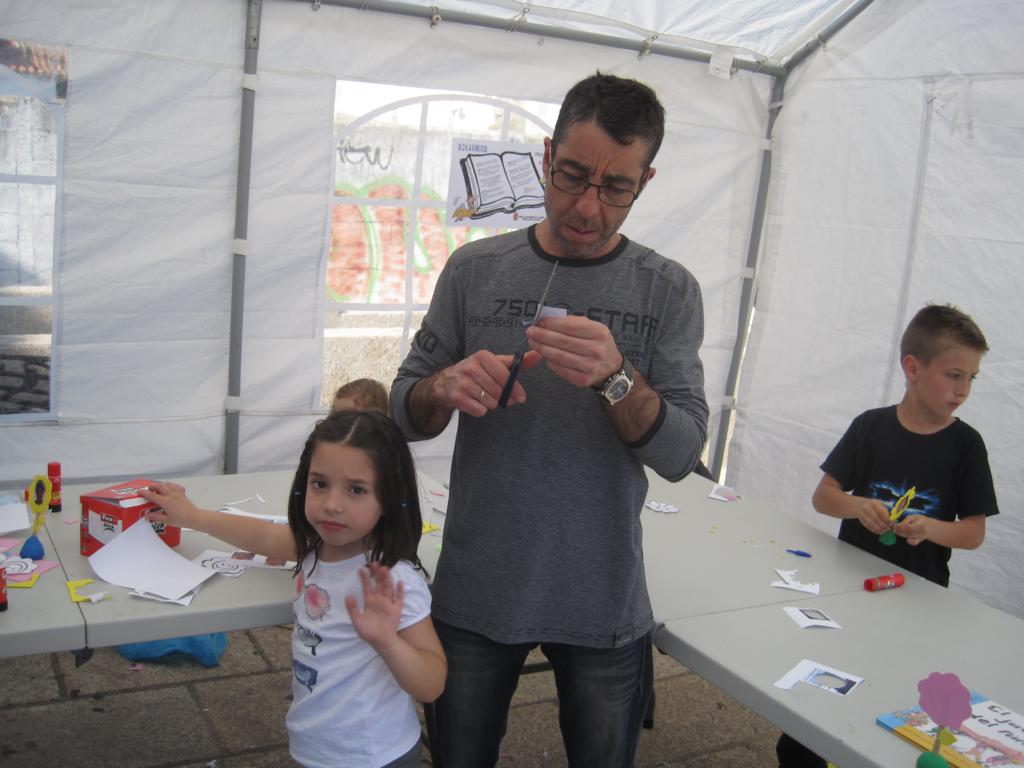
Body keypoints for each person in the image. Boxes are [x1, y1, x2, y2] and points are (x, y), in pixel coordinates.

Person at [390, 72, 709, 767]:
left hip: (602, 597)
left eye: (616, 186)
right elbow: (403, 412)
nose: (587, 206)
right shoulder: (475, 270)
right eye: (571, 176)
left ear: (646, 181)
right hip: (478, 587)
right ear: (546, 155)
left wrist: (617, 378)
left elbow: (683, 454)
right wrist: (443, 385)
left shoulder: (668, 290)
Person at [140, 411, 446, 768]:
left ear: (390, 498)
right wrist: (193, 517)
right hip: (313, 748)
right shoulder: (316, 546)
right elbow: (263, 536)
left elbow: (432, 684)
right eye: (320, 484)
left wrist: (388, 643)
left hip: (374, 756)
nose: (331, 504)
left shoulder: (391, 579)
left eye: (356, 489)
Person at [776, 304, 999, 768]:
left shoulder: (966, 445)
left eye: (971, 378)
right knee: (823, 692)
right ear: (912, 368)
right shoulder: (870, 427)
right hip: (848, 594)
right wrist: (859, 506)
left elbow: (973, 533)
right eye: (954, 375)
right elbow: (824, 497)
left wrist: (931, 527)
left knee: (892, 695)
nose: (963, 390)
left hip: (918, 605)